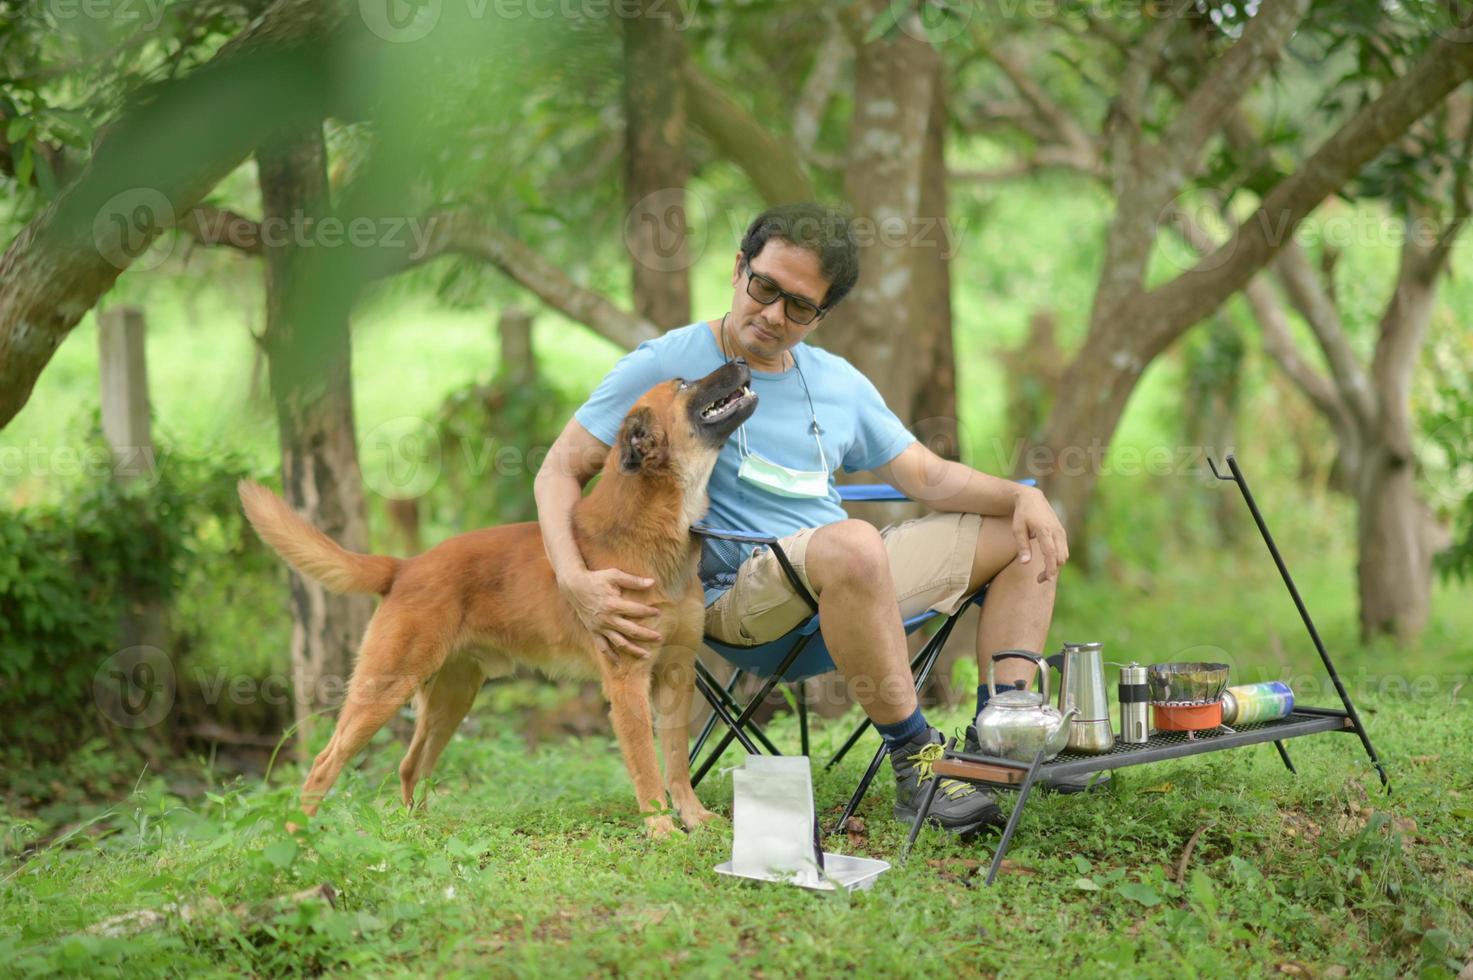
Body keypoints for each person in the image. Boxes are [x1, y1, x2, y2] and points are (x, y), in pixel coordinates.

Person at [534, 202, 1073, 836]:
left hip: (849, 580)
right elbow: (557, 470)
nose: (772, 315)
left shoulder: (838, 381)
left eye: (798, 306)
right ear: (739, 269)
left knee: (1026, 535)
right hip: (742, 599)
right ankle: (917, 761)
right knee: (852, 542)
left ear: (822, 315)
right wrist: (574, 579)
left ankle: (1003, 741)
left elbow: (926, 476)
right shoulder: (672, 367)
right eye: (764, 288)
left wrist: (1022, 496)